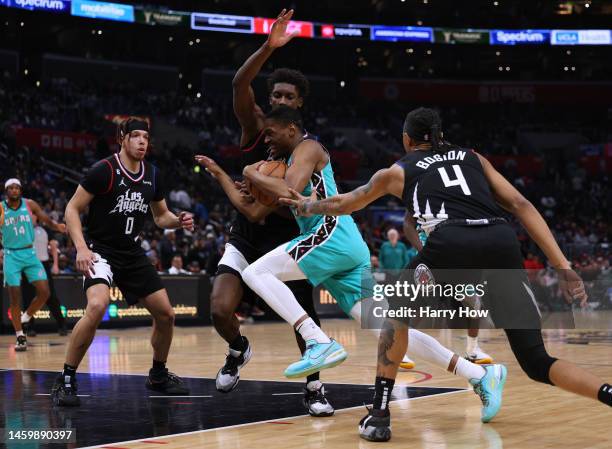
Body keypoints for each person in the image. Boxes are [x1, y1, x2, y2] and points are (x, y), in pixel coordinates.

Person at [280, 107, 612, 442]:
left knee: (395, 318)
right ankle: (608, 393)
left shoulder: (397, 170)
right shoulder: (474, 158)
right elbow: (521, 204)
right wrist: (563, 267)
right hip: (500, 240)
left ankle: (379, 416)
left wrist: (308, 206)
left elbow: (349, 202)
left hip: (451, 241)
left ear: (407, 139)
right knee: (536, 360)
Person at [195, 8, 334, 417]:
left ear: (300, 103)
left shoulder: (307, 146)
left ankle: (315, 386)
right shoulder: (256, 127)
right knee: (220, 309)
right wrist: (268, 47)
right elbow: (240, 82)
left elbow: (288, 192)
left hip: (291, 238)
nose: (280, 101)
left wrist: (252, 179)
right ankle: (238, 350)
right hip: (247, 233)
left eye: (289, 97)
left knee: (303, 318)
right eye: (276, 95)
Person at [50, 117, 194, 406]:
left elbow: (160, 216)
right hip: (101, 250)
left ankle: (158, 374)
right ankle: (66, 378)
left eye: (146, 137)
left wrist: (178, 221)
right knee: (97, 305)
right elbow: (72, 209)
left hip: (132, 252)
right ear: (122, 139)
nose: (142, 141)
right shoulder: (104, 170)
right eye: (136, 136)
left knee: (166, 315)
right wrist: (80, 248)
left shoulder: (153, 173)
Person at [1, 178, 65, 351]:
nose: (14, 190)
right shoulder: (1, 208)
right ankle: (20, 336)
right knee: (15, 297)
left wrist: (56, 226)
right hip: (11, 254)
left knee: (45, 292)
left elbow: (45, 219)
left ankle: (25, 317)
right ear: (6, 191)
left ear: (21, 190)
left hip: (29, 253)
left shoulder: (29, 204)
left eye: (17, 188)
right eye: (11, 188)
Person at [21, 222, 68, 336]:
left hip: (43, 265)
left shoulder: (45, 229)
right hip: (27, 265)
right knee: (28, 297)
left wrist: (55, 264)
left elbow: (53, 246)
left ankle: (62, 325)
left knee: (51, 296)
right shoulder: (22, 228)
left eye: (33, 213)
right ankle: (29, 327)